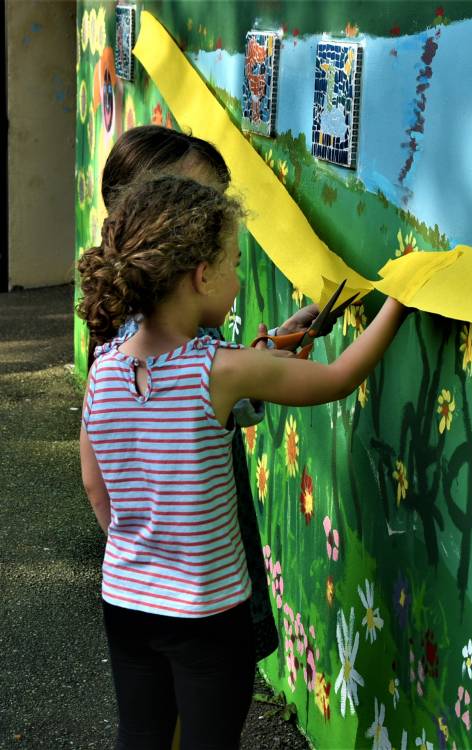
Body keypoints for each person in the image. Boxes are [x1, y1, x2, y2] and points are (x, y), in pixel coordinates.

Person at [76, 174, 408, 749]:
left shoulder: (104, 367)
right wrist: (400, 300)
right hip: (207, 613)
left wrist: (144, 561)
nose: (236, 277)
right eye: (232, 263)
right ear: (200, 276)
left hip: (127, 602)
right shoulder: (220, 370)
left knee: (141, 737)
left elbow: (95, 486)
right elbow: (337, 377)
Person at [96, 124, 324, 663]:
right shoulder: (130, 331)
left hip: (166, 580)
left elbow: (205, 403)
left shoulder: (150, 315)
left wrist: (264, 356)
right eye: (199, 204)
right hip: (189, 583)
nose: (214, 220)